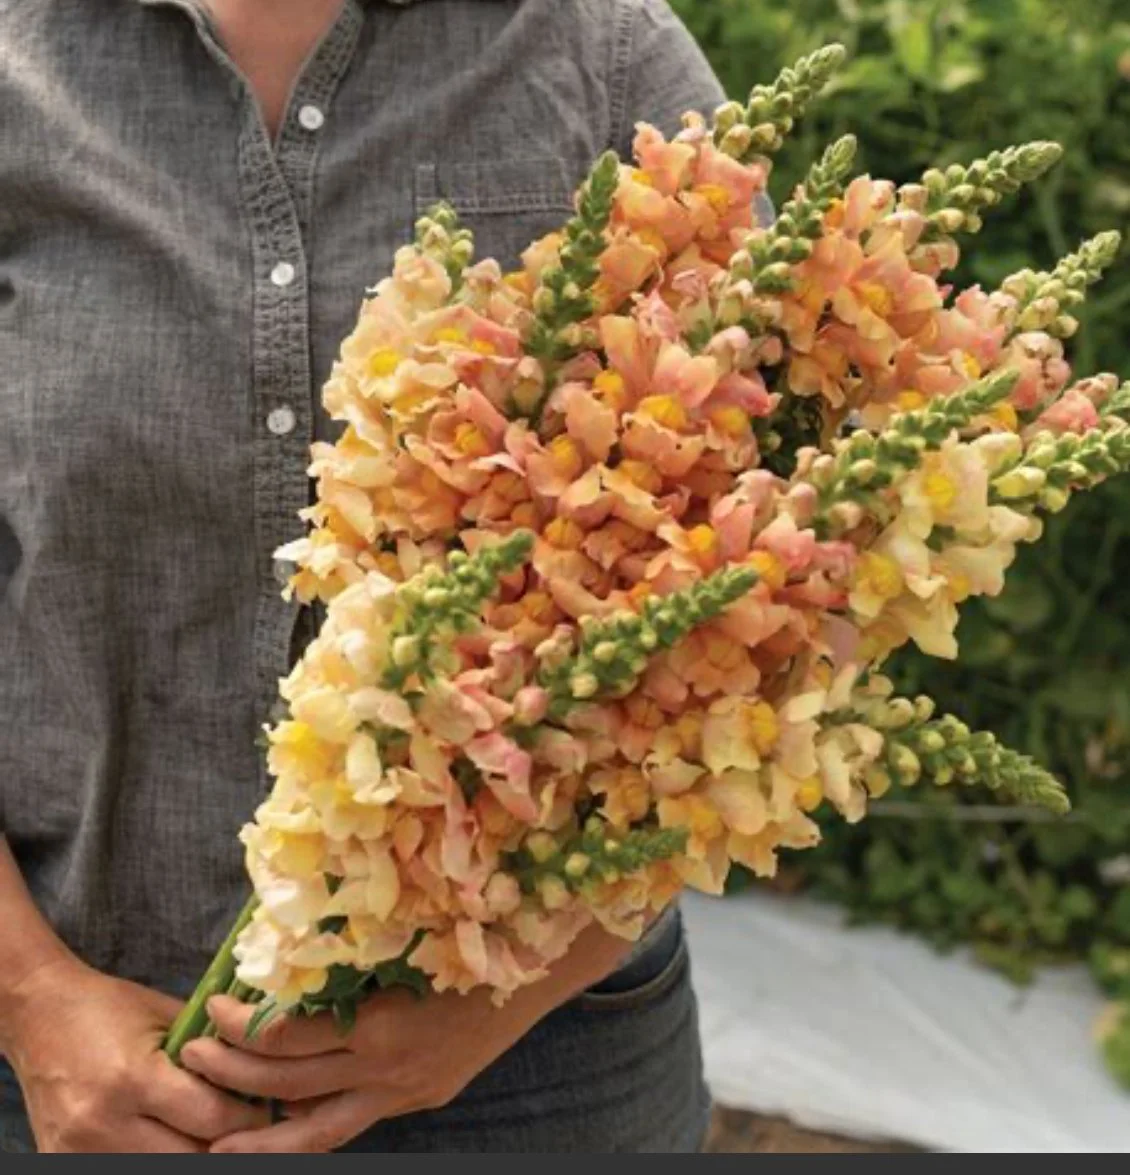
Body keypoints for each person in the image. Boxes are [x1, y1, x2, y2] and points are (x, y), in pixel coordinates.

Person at [0, 0, 748, 1154]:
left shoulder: (600, 54)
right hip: (68, 1054)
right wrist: (30, 996)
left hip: (536, 1067)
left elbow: (788, 580)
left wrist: (495, 995)